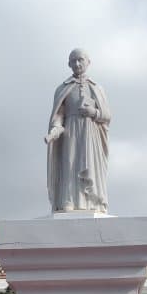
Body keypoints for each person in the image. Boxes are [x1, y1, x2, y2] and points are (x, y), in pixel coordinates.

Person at [45, 49, 111, 213]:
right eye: (73, 61)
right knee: (70, 163)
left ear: (88, 62)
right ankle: (70, 200)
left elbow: (107, 115)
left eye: (80, 60)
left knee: (91, 165)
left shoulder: (96, 88)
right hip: (71, 132)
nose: (77, 64)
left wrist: (94, 113)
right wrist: (55, 129)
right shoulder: (62, 89)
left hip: (91, 132)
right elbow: (58, 115)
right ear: (69, 64)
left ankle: (93, 200)